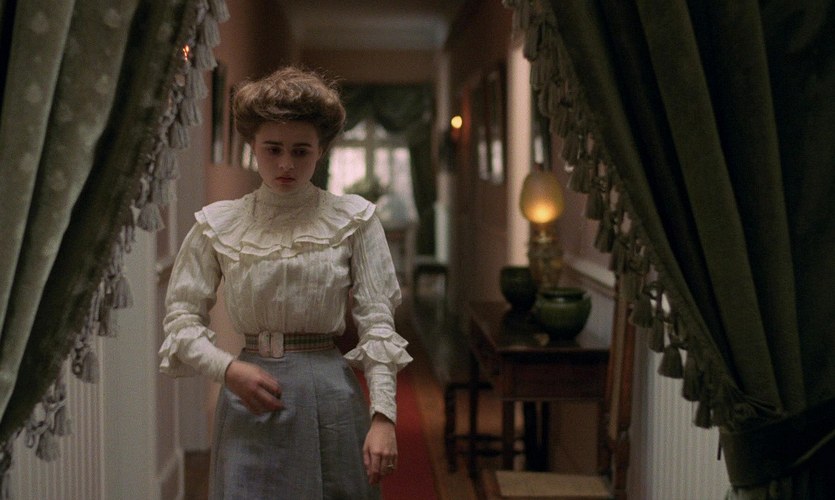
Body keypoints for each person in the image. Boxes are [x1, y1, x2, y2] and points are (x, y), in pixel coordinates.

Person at [158, 66, 412, 499]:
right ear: (252, 146)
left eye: (301, 150)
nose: (286, 164)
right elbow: (181, 319)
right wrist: (226, 369)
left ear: (321, 150)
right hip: (248, 397)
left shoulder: (354, 220)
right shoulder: (218, 225)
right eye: (272, 148)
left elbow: (377, 323)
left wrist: (383, 416)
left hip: (330, 397)